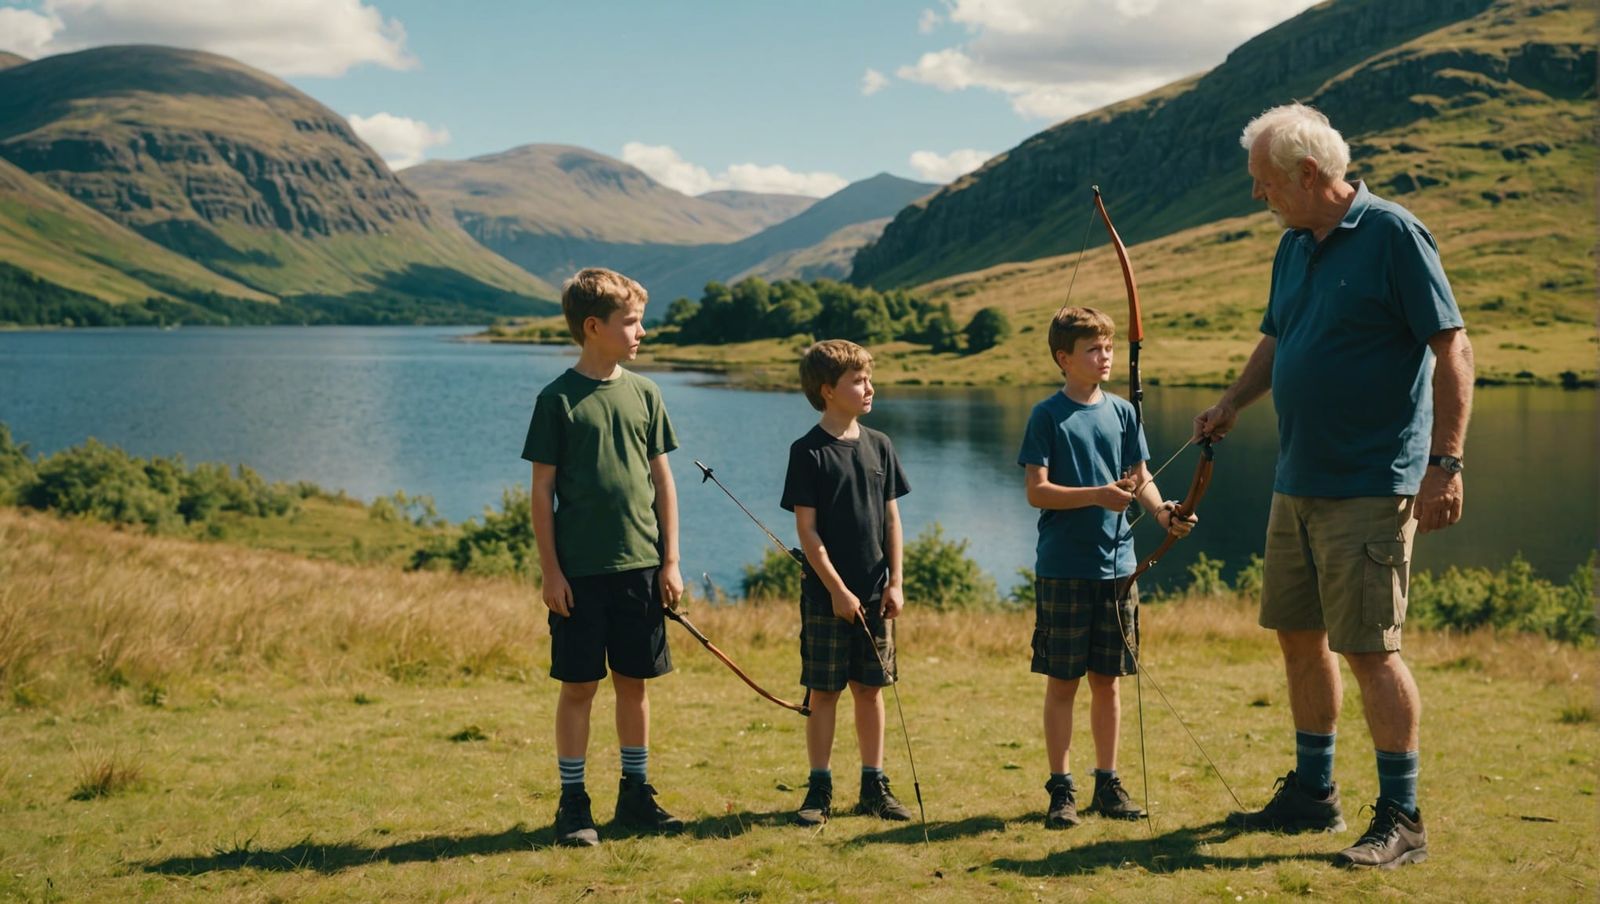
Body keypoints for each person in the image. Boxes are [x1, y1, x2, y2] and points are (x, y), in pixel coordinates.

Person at [1195, 103, 1474, 869]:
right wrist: (1231, 403)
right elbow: (1279, 337)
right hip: (1298, 481)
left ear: (1309, 175)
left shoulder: (1393, 234)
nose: (1259, 198)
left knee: (1370, 649)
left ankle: (1402, 817)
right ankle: (1314, 794)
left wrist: (1444, 464)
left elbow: (1452, 350)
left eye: (1264, 184)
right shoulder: (1294, 244)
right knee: (1298, 637)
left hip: (1371, 482)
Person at [523, 267, 686, 847]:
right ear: (594, 327)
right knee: (578, 687)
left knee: (635, 683)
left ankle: (636, 795)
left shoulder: (646, 393)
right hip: (579, 575)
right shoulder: (556, 400)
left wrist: (670, 561)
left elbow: (663, 482)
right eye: (632, 322)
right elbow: (541, 492)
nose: (642, 331)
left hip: (641, 568)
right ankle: (573, 804)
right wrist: (551, 571)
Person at [1017, 306, 1195, 829]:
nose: (1105, 356)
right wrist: (1097, 494)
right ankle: (1061, 789)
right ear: (1064, 358)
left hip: (1118, 567)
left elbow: (1140, 479)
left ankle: (1108, 783)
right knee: (1063, 681)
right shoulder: (1046, 415)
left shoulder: (1123, 413)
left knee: (1109, 681)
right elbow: (1036, 491)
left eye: (1110, 347)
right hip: (1064, 567)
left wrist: (1162, 512)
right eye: (1093, 349)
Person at [780, 339, 914, 826]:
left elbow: (892, 520)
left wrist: (895, 581)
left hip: (877, 595)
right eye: (857, 381)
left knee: (870, 689)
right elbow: (807, 531)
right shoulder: (807, 452)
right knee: (824, 691)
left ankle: (874, 784)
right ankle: (818, 788)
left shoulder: (881, 445)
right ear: (827, 391)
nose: (868, 387)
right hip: (825, 596)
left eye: (867, 377)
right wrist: (836, 588)